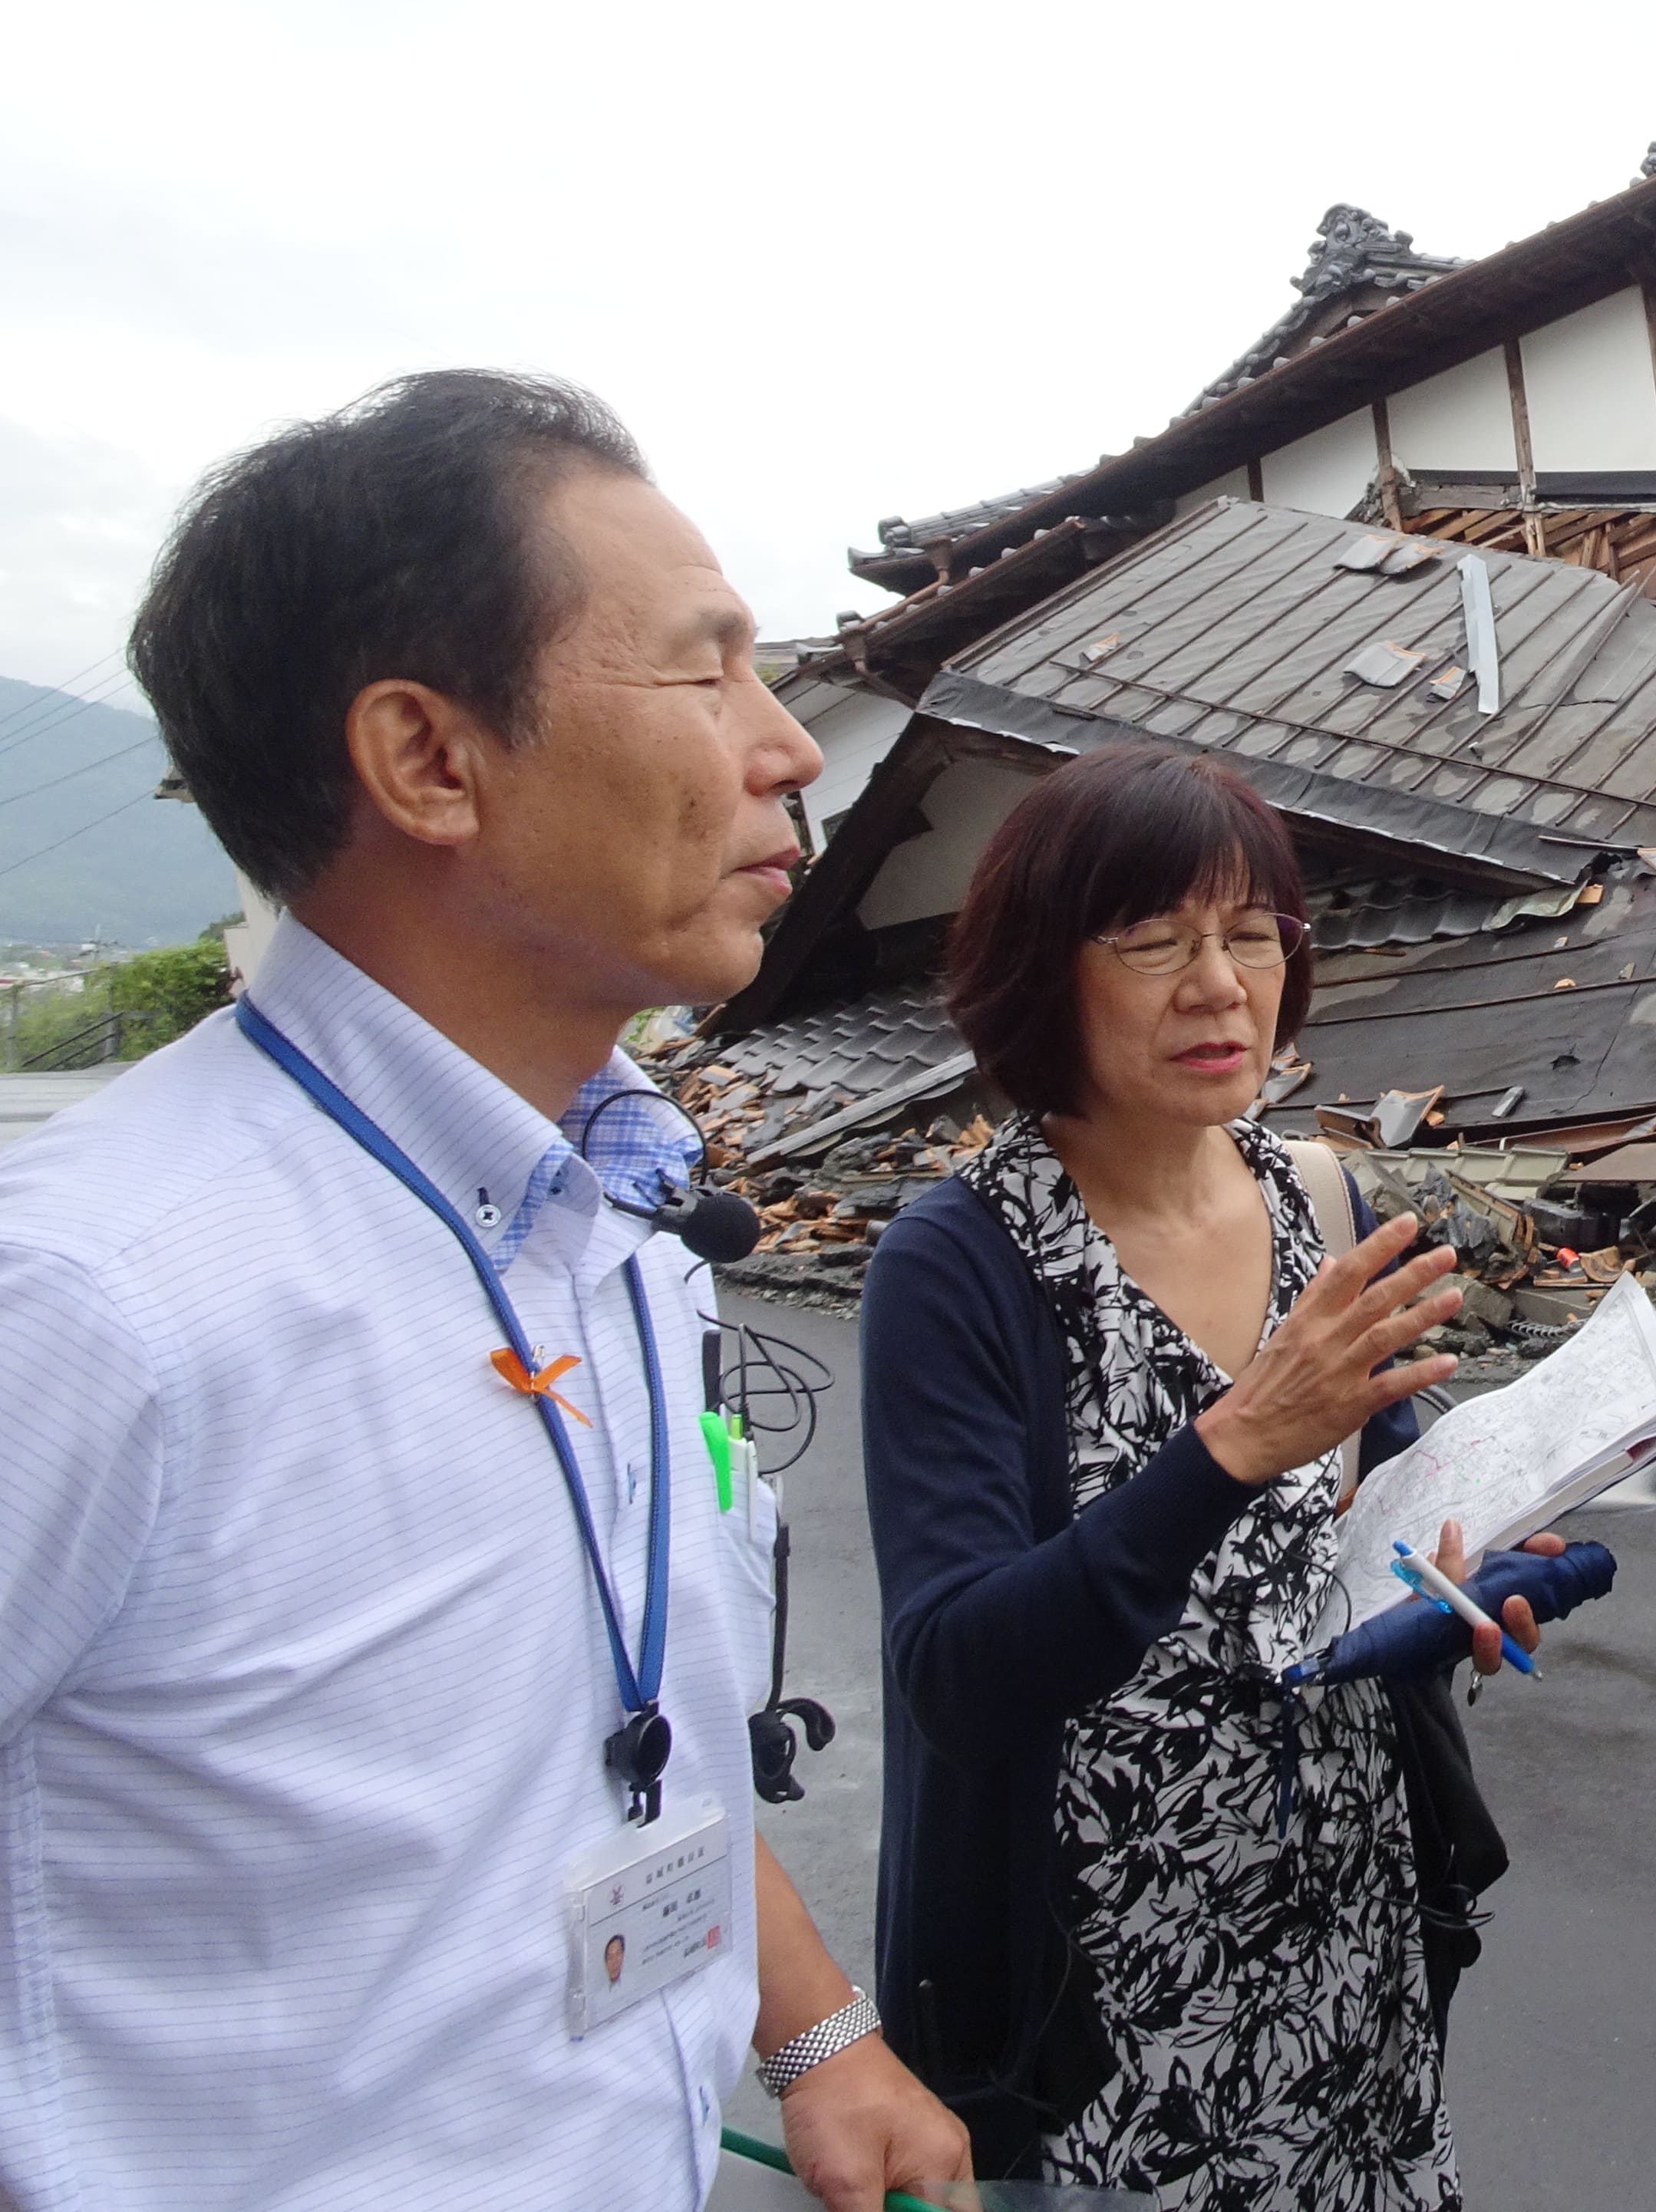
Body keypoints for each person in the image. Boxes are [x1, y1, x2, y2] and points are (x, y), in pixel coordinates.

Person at [0, 372, 969, 2210]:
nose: (791, 750)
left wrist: (819, 2034)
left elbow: (624, 1739)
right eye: (705, 672)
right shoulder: (88, 1305)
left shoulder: (619, 1223)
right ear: (431, 761)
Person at [860, 743, 1562, 2211]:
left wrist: (1479, 1565)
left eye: (1252, 936)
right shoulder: (961, 1266)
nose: (1219, 986)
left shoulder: (1314, 1195)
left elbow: (1381, 1491)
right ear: (1043, 973)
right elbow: (958, 1675)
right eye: (1154, 943)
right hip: (1105, 2010)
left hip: (1350, 1947)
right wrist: (1229, 1445)